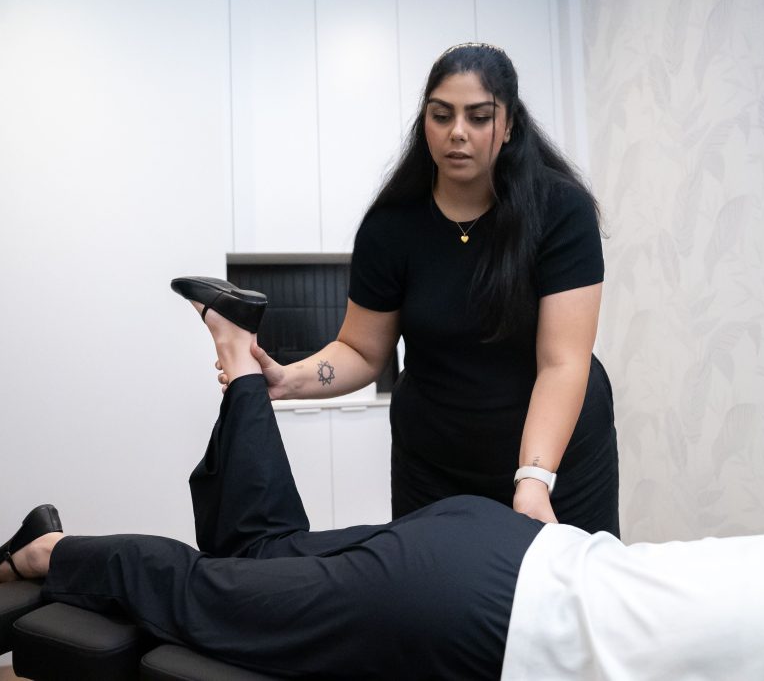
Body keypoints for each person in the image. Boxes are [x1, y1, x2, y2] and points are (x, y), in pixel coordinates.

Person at [0, 279, 764, 680]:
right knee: (210, 595)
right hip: (473, 618)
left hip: (498, 553)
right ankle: (39, 554)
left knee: (265, 557)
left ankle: (239, 360)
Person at [217, 43, 619, 533]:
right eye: (441, 114)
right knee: (435, 604)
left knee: (565, 601)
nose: (457, 133)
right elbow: (362, 352)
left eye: (478, 117)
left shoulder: (559, 210)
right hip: (434, 466)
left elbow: (562, 361)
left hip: (555, 463)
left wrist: (533, 477)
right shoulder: (391, 227)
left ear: (509, 125)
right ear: (423, 120)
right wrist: (289, 379)